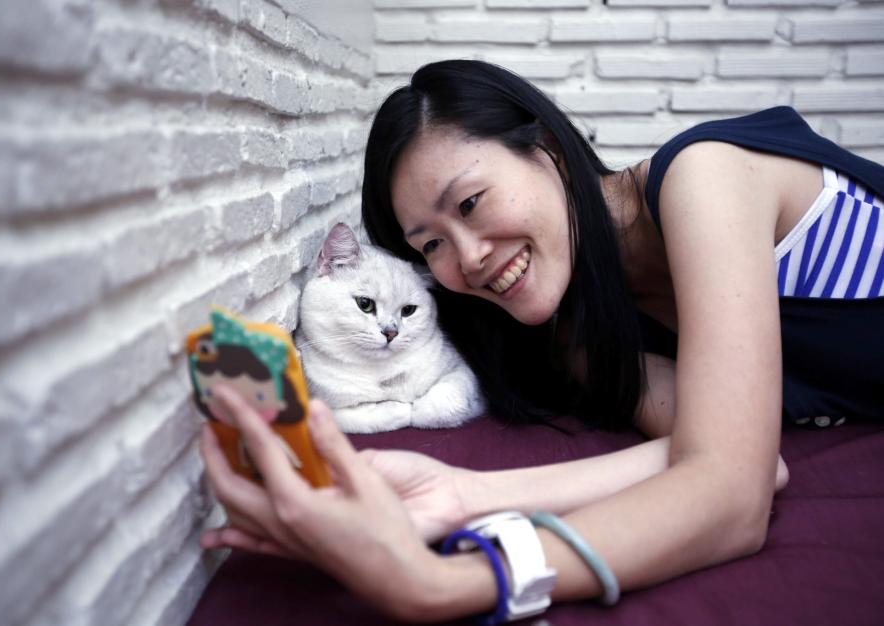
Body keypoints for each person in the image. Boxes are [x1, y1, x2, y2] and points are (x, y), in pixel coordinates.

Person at [197, 60, 884, 623]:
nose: (465, 259)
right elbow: (740, 460)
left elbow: (731, 496)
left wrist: (456, 581)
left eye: (470, 204)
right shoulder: (581, 340)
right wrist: (461, 494)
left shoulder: (704, 177)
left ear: (549, 150)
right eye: (431, 244)